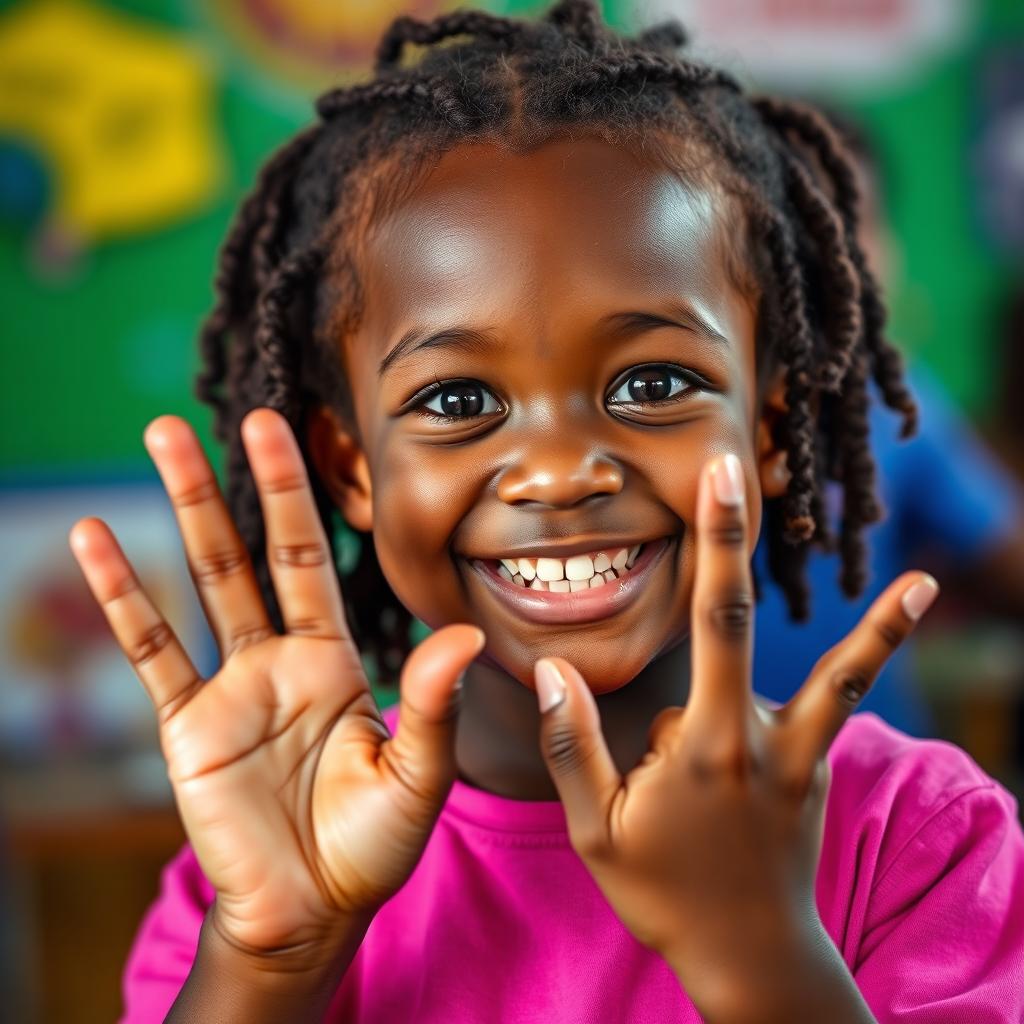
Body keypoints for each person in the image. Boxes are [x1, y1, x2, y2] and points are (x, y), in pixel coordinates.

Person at [68, 3, 1024, 1021]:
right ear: (350, 469)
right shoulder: (266, 864)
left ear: (766, 432)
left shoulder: (921, 837)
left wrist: (763, 954)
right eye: (457, 401)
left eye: (652, 383)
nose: (561, 470)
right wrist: (270, 956)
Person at [751, 113, 1024, 736]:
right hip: (689, 787)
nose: (830, 255)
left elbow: (1007, 557)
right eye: (792, 228)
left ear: (888, 247)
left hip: (875, 788)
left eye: (855, 221)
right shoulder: (677, 401)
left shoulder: (895, 403)